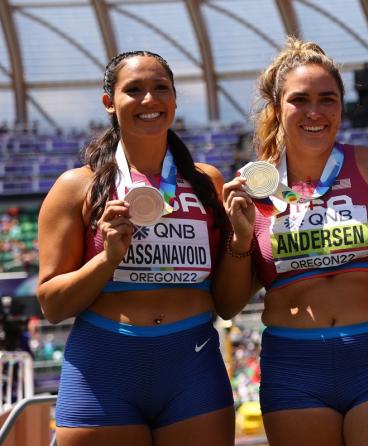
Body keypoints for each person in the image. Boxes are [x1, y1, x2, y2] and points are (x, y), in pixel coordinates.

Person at [217, 37, 368, 445]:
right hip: (295, 366)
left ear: (342, 105)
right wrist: (240, 237)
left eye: (327, 99)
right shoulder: (252, 189)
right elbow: (228, 304)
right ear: (277, 108)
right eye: (300, 99)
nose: (314, 112)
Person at [37, 51, 235, 446]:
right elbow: (52, 305)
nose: (150, 100)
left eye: (161, 88)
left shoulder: (206, 183)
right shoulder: (75, 188)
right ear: (109, 102)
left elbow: (228, 301)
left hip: (192, 369)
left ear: (175, 100)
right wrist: (108, 259)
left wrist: (242, 241)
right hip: (104, 371)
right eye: (134, 90)